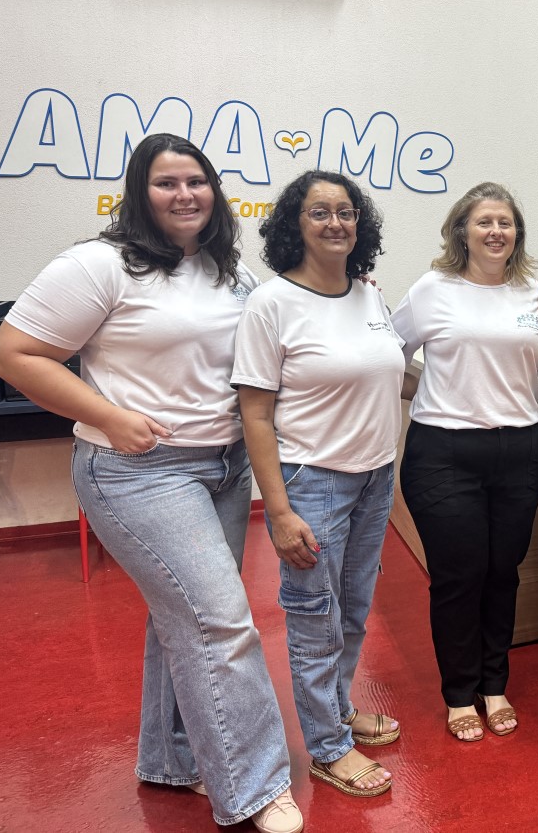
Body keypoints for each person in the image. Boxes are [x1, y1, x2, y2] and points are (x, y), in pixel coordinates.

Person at [0, 134, 302, 833]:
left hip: (224, 466)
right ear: (140, 192)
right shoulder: (100, 264)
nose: (185, 194)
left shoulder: (228, 269)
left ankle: (171, 758)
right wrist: (109, 415)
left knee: (181, 618)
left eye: (196, 181)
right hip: (138, 471)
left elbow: (274, 338)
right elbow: (14, 353)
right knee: (221, 621)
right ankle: (255, 787)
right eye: (166, 183)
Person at [233, 170, 404, 800]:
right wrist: (278, 512)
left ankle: (338, 708)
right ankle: (328, 747)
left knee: (353, 610)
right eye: (319, 212)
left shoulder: (368, 294)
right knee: (314, 618)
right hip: (314, 481)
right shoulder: (271, 303)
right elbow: (255, 414)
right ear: (294, 225)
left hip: (376, 476)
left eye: (346, 211)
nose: (336, 222)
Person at [392, 182, 538, 742]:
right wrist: (429, 391)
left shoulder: (535, 293)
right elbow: (386, 355)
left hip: (520, 452)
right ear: (462, 230)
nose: (496, 231)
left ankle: (494, 685)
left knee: (503, 572)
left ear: (517, 233)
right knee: (459, 577)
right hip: (444, 454)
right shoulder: (432, 289)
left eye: (505, 222)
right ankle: (460, 693)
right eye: (484, 222)